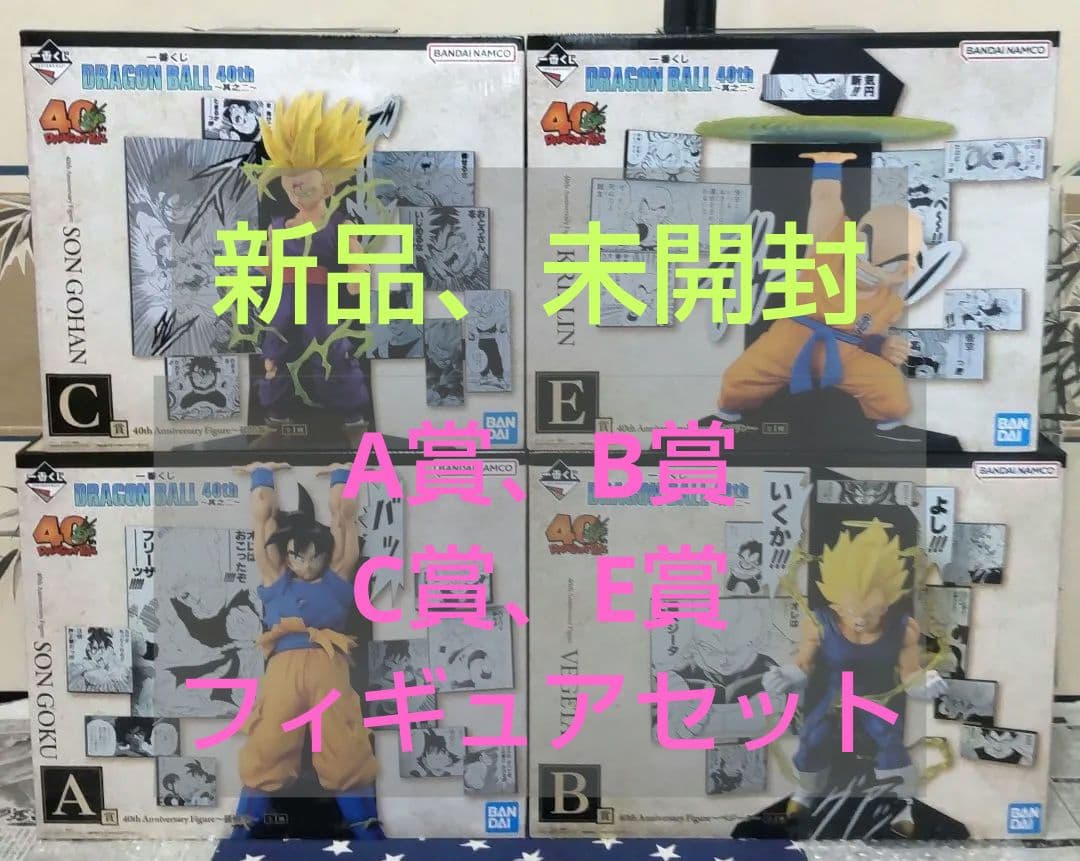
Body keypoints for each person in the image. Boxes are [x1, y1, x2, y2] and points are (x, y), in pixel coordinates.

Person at [713, 152, 923, 443]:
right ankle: (728, 418)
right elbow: (825, 202)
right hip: (790, 339)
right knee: (738, 378)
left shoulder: (890, 302)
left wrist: (882, 346)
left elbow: (866, 336)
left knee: (888, 387)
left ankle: (888, 426)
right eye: (863, 251)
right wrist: (828, 165)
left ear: (905, 271)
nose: (867, 267)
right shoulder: (828, 250)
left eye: (887, 265)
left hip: (845, 354)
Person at [763, 519, 947, 837]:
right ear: (835, 601)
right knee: (812, 738)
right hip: (835, 696)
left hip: (876, 698)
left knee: (889, 742)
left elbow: (910, 673)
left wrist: (925, 684)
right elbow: (804, 664)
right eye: (850, 611)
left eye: (871, 612)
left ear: (887, 602)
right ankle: (806, 792)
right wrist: (788, 675)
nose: (860, 620)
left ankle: (901, 804)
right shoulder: (819, 623)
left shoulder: (904, 627)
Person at [229, 462, 382, 840]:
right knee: (268, 745)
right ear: (288, 556)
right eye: (298, 556)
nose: (307, 564)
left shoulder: (338, 578)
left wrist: (342, 475)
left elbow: (345, 521)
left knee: (343, 747)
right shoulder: (277, 581)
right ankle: (243, 829)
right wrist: (261, 475)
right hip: (285, 668)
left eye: (315, 556)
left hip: (329, 665)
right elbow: (262, 522)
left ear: (325, 554)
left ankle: (367, 829)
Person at [242, 93, 376, 431]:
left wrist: (357, 275)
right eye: (291, 188)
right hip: (284, 297)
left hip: (320, 298)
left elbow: (356, 259)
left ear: (327, 188)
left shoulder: (339, 225)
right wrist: (259, 270)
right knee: (275, 352)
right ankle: (275, 409)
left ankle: (351, 409)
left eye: (304, 188)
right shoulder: (278, 226)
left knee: (331, 349)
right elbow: (268, 267)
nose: (296, 195)